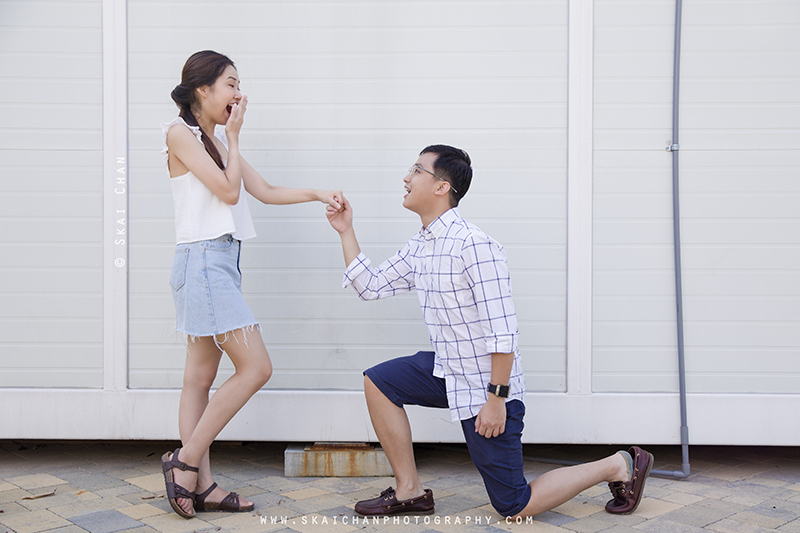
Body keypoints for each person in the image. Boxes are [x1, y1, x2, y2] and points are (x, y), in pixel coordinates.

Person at [325, 145, 653, 518]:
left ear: (440, 187)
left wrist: (497, 400)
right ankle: (410, 491)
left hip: (488, 387)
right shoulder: (422, 245)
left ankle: (618, 464)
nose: (406, 177)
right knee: (380, 382)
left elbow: (503, 331)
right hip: (449, 371)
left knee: (514, 505)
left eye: (417, 170)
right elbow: (370, 286)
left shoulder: (474, 245)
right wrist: (345, 230)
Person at [160, 50, 343, 519]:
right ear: (203, 90)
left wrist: (319, 193)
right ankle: (184, 462)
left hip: (219, 262)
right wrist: (235, 140)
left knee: (198, 380)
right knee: (256, 367)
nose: (240, 94)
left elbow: (264, 192)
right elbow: (229, 191)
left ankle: (202, 486)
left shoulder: (216, 142)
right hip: (203, 261)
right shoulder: (180, 135)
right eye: (231, 83)